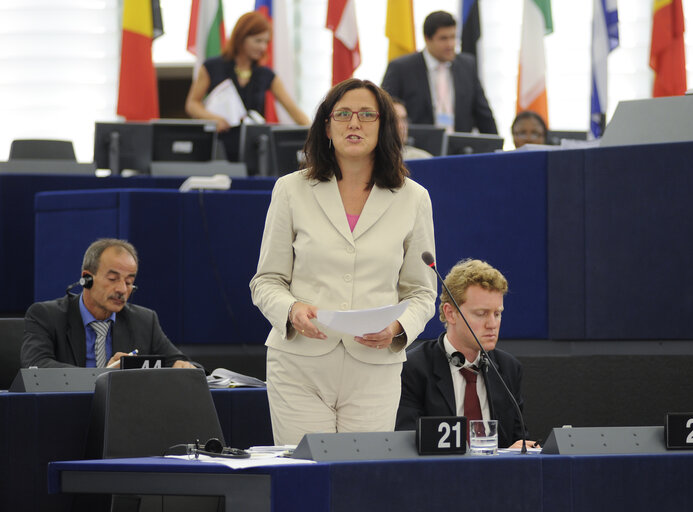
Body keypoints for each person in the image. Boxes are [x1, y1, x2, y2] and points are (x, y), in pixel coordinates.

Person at [249, 78, 437, 446]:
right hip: (300, 365)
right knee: (305, 481)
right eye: (344, 114)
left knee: (360, 485)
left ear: (383, 127)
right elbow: (266, 280)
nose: (355, 123)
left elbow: (421, 291)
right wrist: (290, 310)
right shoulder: (291, 190)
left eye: (367, 115)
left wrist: (398, 327)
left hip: (374, 368)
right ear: (327, 126)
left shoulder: (413, 198)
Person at [396, 259, 536, 449]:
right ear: (450, 313)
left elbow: (517, 440)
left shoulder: (508, 369)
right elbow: (406, 445)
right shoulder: (413, 369)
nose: (492, 324)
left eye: (497, 314)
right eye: (481, 314)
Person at [21, 239, 196, 369]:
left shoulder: (144, 320)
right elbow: (37, 366)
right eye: (113, 279)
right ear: (86, 279)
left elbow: (181, 362)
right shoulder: (46, 315)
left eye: (129, 282)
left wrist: (184, 367)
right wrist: (104, 375)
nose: (121, 289)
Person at [185, 11, 310, 161]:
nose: (263, 47)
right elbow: (192, 104)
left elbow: (294, 111)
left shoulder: (267, 75)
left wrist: (317, 135)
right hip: (217, 147)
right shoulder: (211, 67)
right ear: (241, 38)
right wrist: (213, 118)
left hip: (252, 152)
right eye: (258, 41)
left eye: (266, 42)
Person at [381, 11, 497, 135]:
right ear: (427, 39)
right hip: (418, 146)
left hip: (460, 148)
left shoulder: (467, 65)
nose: (450, 44)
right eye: (443, 38)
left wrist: (497, 148)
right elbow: (386, 111)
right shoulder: (401, 68)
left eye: (453, 37)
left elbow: (483, 114)